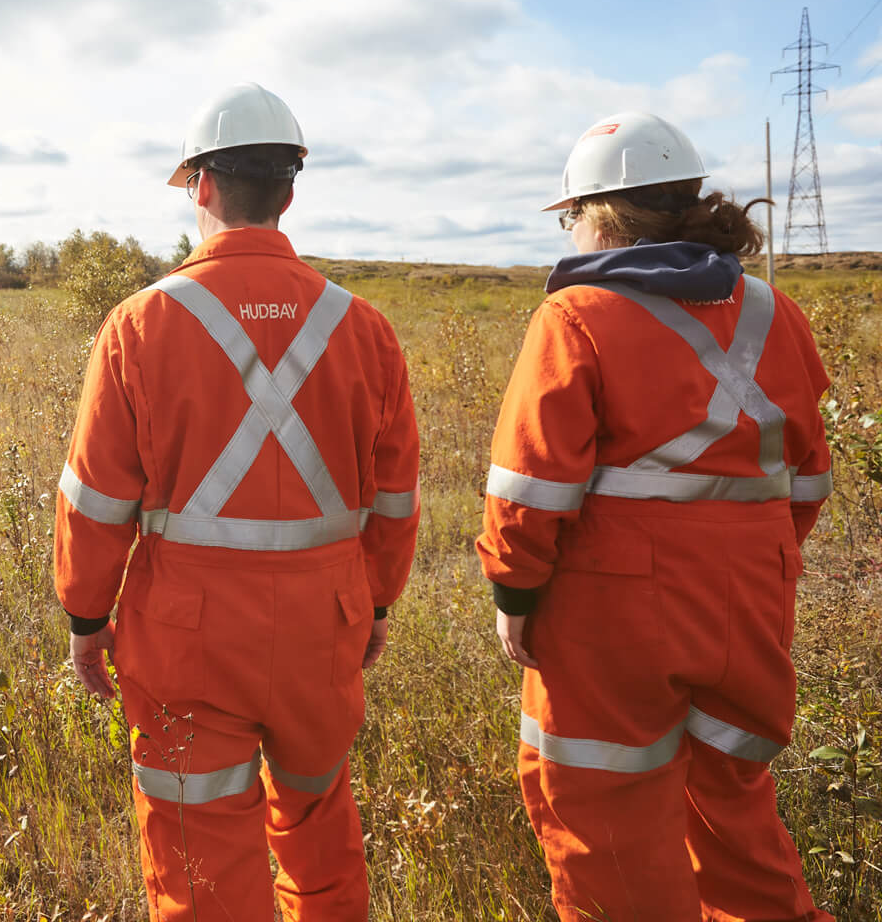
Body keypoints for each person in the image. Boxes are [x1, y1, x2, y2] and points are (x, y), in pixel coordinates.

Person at [55, 83, 421, 921]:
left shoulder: (139, 325)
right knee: (319, 827)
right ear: (288, 193)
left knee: (201, 862)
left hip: (188, 635)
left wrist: (85, 617)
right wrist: (375, 603)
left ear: (203, 186)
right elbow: (395, 498)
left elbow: (96, 498)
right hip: (324, 625)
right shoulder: (365, 328)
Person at [477, 111, 835, 922]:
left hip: (610, 614)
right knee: (734, 809)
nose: (572, 232)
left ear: (601, 215)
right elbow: (809, 478)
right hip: (751, 599)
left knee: (603, 825)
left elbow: (529, 487)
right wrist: (754, 557)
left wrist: (516, 594)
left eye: (571, 216)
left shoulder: (576, 315)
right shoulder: (775, 312)